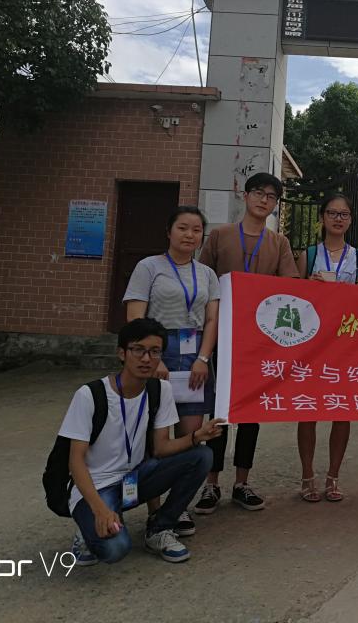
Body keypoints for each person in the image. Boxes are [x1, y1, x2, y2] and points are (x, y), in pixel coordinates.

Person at [60, 318, 225, 565]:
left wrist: (196, 437)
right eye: (138, 350)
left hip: (134, 481)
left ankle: (159, 528)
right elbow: (75, 460)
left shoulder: (160, 390)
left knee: (202, 456)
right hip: (97, 487)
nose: (147, 359)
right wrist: (100, 509)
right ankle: (87, 530)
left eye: (155, 351)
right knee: (115, 549)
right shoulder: (90, 395)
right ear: (122, 353)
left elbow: (161, 448)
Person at [196, 172, 299, 513]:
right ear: (245, 195)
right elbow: (203, 280)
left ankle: (242, 482)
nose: (263, 200)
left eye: (271, 196)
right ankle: (211, 484)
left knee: (252, 412)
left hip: (259, 339)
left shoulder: (279, 243)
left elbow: (290, 286)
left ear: (275, 204)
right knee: (219, 410)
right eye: (258, 192)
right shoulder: (220, 236)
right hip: (220, 334)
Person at [122, 206, 220, 538]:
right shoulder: (148, 267)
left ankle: (178, 508)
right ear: (168, 231)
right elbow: (136, 317)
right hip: (156, 354)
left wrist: (203, 358)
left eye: (196, 230)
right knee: (155, 437)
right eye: (182, 228)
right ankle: (155, 509)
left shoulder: (207, 274)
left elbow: (212, 320)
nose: (189, 235)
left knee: (190, 437)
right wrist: (153, 358)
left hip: (194, 360)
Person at [295, 192, 358, 502]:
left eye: (344, 214)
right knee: (307, 410)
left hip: (346, 346)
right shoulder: (309, 255)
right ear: (322, 217)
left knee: (342, 411)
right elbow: (295, 301)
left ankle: (333, 477)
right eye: (332, 213)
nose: (338, 219)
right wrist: (312, 289)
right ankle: (307, 475)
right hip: (312, 345)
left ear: (350, 220)